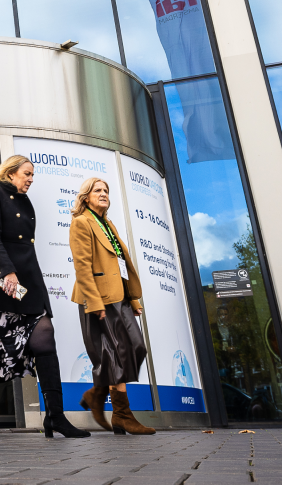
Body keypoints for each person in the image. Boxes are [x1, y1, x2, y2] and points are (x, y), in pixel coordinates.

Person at [0, 155, 90, 439]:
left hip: (28, 283)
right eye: (27, 173)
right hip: (2, 283)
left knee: (45, 335)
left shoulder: (25, 201)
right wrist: (7, 271)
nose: (31, 179)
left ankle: (55, 416)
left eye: (32, 175)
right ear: (10, 173)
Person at [69, 177, 155, 436]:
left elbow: (119, 265)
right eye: (98, 190)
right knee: (116, 355)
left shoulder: (108, 224)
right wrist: (95, 302)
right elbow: (82, 266)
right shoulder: (81, 222)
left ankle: (97, 394)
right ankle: (122, 415)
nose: (104, 193)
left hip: (120, 297)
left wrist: (133, 298)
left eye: (106, 190)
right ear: (86, 197)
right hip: (99, 298)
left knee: (136, 348)